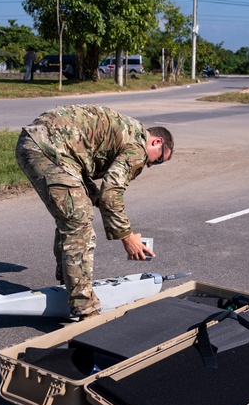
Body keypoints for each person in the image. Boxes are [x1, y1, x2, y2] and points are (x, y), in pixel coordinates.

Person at [15, 104, 173, 319]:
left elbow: (78, 157)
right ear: (157, 142)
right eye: (159, 158)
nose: (152, 165)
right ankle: (85, 308)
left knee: (73, 213)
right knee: (78, 222)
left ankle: (68, 275)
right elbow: (112, 194)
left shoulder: (127, 130)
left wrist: (92, 192)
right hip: (48, 151)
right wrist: (127, 238)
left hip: (40, 144)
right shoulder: (137, 145)